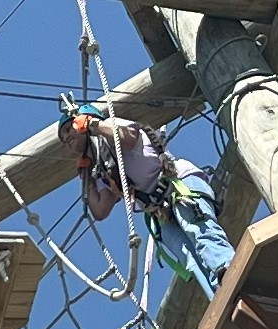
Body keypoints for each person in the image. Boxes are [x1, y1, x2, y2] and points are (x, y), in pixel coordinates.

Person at [65, 110, 231, 296]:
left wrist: (93, 125)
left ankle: (230, 272)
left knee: (198, 229)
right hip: (160, 212)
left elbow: (128, 136)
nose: (66, 138)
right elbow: (100, 210)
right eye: (63, 138)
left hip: (178, 184)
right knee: (189, 258)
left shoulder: (111, 128)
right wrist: (87, 177)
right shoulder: (103, 166)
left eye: (68, 129)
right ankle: (221, 296)